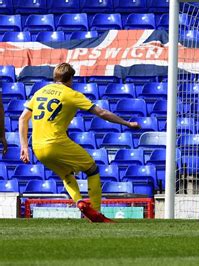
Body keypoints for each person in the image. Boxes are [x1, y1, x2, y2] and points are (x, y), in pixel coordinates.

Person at [18, 63, 140, 223]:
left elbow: (22, 119)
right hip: (56, 142)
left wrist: (24, 147)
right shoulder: (71, 94)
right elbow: (102, 112)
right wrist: (127, 124)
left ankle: (79, 202)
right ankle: (96, 213)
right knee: (92, 169)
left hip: (37, 147)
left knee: (65, 174)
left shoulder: (40, 92)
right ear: (70, 79)